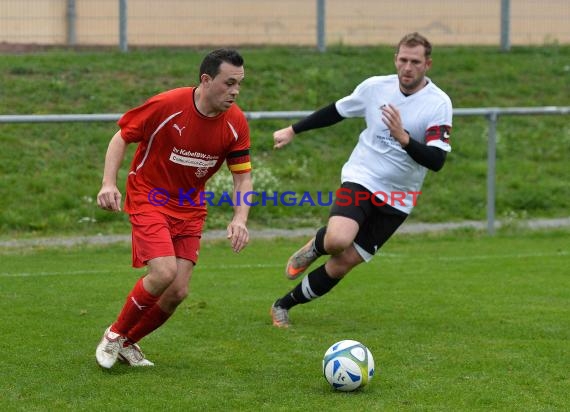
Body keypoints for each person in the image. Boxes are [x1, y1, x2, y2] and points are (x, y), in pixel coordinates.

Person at [270, 32, 452, 328]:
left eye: (415, 62)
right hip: (362, 177)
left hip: (399, 198)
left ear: (427, 64)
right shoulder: (374, 88)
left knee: (343, 263)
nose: (407, 67)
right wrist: (294, 130)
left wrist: (403, 138)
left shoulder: (438, 103)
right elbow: (337, 111)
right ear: (395, 59)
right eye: (403, 60)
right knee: (338, 240)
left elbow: (436, 160)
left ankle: (283, 305)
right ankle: (319, 244)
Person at [95, 48, 252, 367]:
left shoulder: (235, 124)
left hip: (190, 207)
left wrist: (240, 218)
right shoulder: (168, 105)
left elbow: (242, 178)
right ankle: (113, 335)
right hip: (148, 196)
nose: (235, 91)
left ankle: (128, 343)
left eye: (239, 83)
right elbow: (121, 137)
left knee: (178, 290)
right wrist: (108, 183)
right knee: (163, 272)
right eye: (229, 82)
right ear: (206, 80)